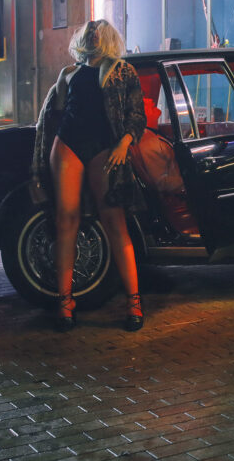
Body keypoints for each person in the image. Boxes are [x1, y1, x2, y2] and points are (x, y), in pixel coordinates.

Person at [32, 20, 146, 332]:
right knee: (65, 221)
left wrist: (124, 143)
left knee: (115, 222)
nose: (93, 33)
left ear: (106, 37)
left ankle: (134, 302)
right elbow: (53, 116)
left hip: (104, 147)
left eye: (98, 30)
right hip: (68, 144)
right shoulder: (69, 73)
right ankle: (65, 302)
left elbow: (137, 115)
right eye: (90, 29)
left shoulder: (123, 70)